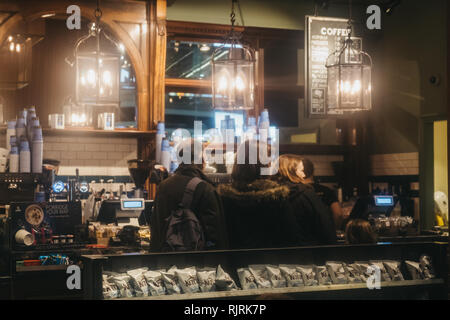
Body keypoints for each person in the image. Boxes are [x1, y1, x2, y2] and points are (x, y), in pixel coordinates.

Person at [150, 139, 229, 251]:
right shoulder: (206, 189)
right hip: (197, 263)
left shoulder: (163, 186)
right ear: (201, 159)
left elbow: (156, 230)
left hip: (165, 260)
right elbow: (215, 236)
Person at [217, 141, 297, 249]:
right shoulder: (277, 196)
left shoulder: (223, 197)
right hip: (270, 261)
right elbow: (291, 238)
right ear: (264, 165)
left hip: (234, 260)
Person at [275, 154, 337, 245]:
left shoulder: (270, 196)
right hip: (308, 251)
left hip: (279, 253)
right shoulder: (306, 194)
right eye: (301, 170)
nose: (304, 175)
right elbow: (324, 224)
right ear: (291, 172)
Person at [301, 157, 345, 230]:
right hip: (324, 233)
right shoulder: (326, 190)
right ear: (313, 171)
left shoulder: (298, 192)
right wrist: (334, 231)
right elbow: (338, 214)